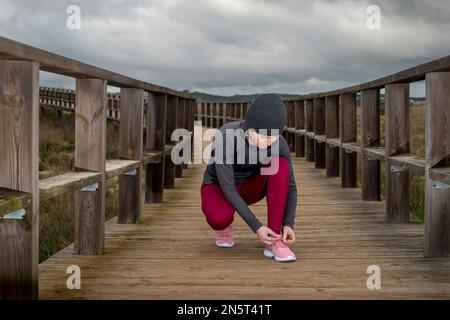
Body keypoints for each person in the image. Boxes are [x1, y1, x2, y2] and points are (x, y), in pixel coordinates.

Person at [200, 93, 298, 262]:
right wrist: (257, 227)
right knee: (219, 218)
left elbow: (290, 185)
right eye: (259, 134)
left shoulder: (279, 143)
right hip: (220, 186)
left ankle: (274, 241)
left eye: (270, 137)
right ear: (248, 126)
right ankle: (225, 227)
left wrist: (288, 223)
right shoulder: (227, 135)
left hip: (250, 187)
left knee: (280, 165)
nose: (264, 141)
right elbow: (227, 186)